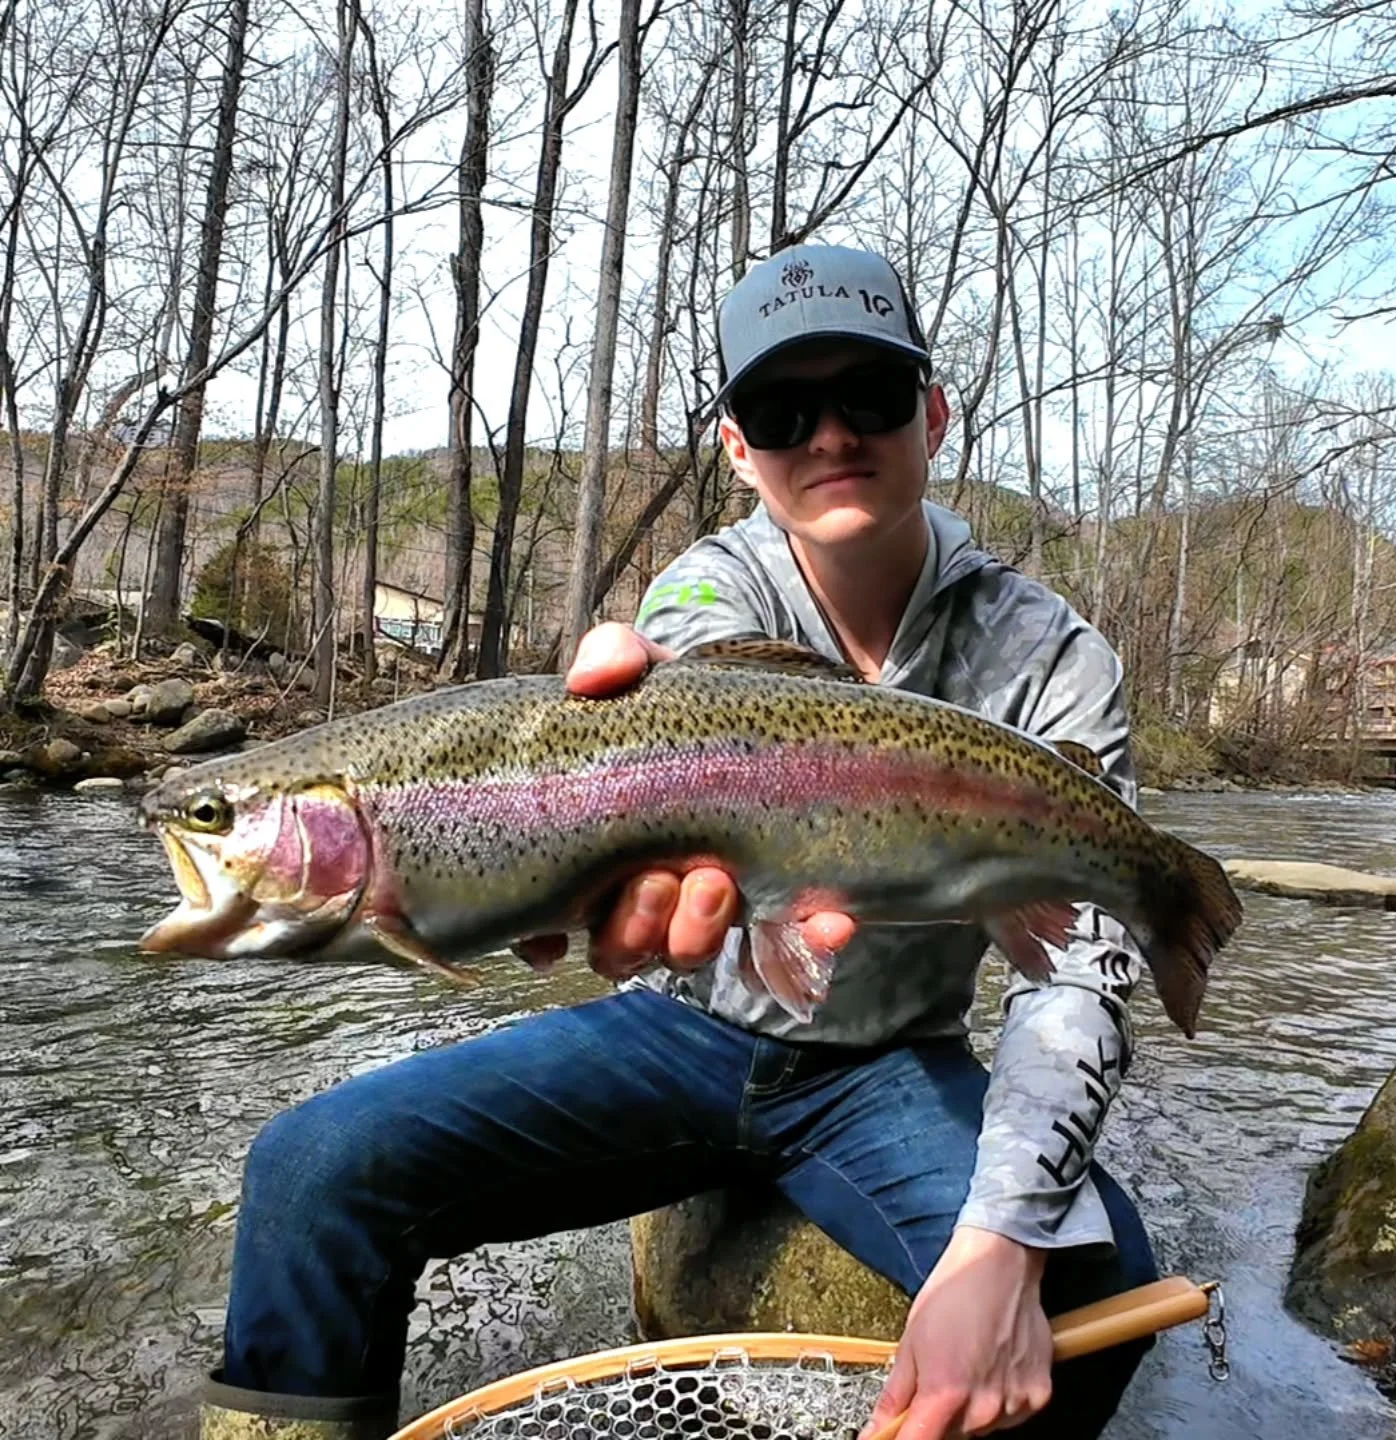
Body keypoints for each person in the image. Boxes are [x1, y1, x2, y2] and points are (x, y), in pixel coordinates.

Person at [200, 243, 1160, 1440]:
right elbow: (676, 669)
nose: (828, 435)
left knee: (1100, 1281)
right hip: (681, 1035)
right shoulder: (706, 592)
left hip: (888, 1070)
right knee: (309, 1170)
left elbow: (1079, 969)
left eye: (869, 394)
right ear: (735, 447)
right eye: (779, 409)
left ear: (935, 410)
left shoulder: (1052, 657)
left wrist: (1001, 1246)